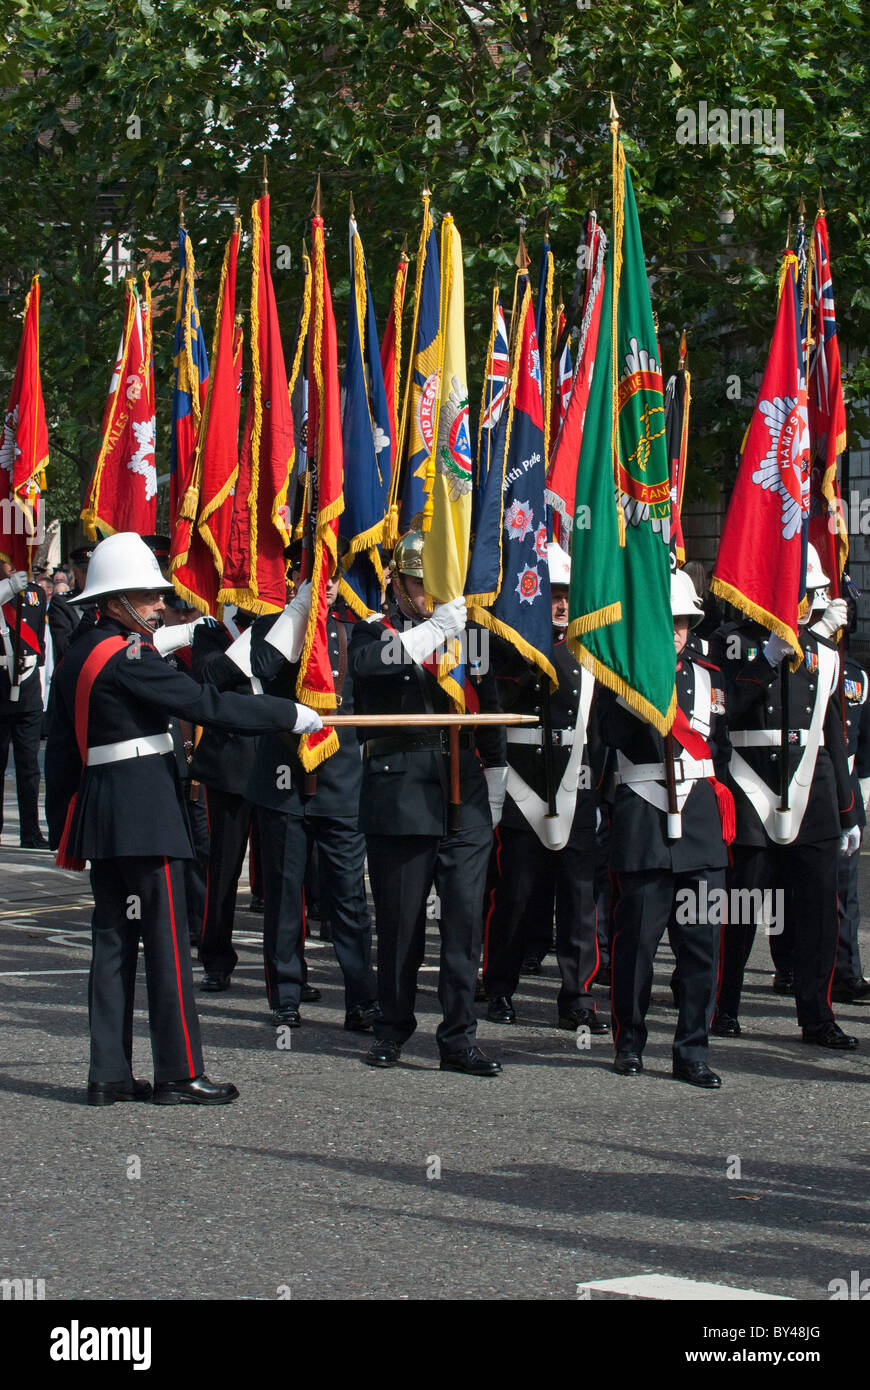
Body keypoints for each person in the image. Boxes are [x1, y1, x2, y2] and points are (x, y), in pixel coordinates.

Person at [44, 532, 321, 1107]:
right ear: (115, 601)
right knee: (167, 948)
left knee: (114, 945)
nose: (156, 605)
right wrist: (286, 714)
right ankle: (178, 1072)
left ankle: (109, 1074)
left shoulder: (80, 654)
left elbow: (62, 754)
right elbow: (207, 704)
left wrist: (66, 820)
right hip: (145, 815)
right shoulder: (125, 658)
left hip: (104, 817)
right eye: (146, 596)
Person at [347, 527, 507, 1076]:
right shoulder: (373, 630)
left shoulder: (469, 634)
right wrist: (436, 630)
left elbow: (490, 704)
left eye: (438, 586)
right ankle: (391, 1029)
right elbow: (372, 669)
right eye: (420, 583)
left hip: (466, 789)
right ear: (398, 583)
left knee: (463, 925)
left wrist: (500, 777)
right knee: (400, 924)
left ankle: (459, 1039)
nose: (429, 595)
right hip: (401, 789)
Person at [710, 544, 859, 1050]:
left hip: (810, 790)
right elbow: (725, 708)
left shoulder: (827, 654)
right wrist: (766, 656)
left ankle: (816, 1014)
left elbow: (833, 738)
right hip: (752, 784)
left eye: (805, 594)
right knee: (741, 907)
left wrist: (848, 810)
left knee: (818, 911)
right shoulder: (730, 642)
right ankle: (723, 1004)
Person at [599, 569, 732, 1088]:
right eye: (667, 621)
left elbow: (717, 748)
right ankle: (628, 1043)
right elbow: (607, 733)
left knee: (701, 947)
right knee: (634, 946)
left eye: (682, 622)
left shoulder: (708, 675)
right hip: (644, 819)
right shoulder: (622, 672)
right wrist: (638, 695)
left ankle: (692, 1050)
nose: (675, 631)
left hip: (698, 825)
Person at [247, 541, 379, 1030]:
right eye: (312, 576)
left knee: (348, 898)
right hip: (284, 780)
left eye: (329, 575)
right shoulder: (271, 625)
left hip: (342, 781)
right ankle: (285, 994)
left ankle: (361, 998)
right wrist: (297, 612)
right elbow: (260, 665)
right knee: (284, 895)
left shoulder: (355, 630)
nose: (323, 584)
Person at [482, 542, 607, 1034]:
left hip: (576, 788)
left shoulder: (591, 648)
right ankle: (499, 987)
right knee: (514, 897)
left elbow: (597, 729)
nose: (559, 604)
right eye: (552, 594)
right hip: (522, 786)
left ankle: (577, 996)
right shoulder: (509, 642)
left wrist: (599, 788)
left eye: (566, 594)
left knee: (579, 902)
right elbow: (492, 709)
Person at [0, 559, 48, 847]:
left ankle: (30, 831)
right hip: (0, 686)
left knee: (29, 765)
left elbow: (37, 642)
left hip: (28, 685)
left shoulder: (35, 593)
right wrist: (7, 588)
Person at [833, 634, 870, 1003]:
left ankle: (847, 972)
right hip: (803, 789)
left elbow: (864, 740)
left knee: (846, 893)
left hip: (846, 793)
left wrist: (863, 792)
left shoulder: (856, 675)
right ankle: (791, 966)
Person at [48, 544, 96, 665]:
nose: (91, 576)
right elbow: (64, 647)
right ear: (75, 572)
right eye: (86, 572)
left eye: (95, 571)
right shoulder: (62, 603)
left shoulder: (107, 601)